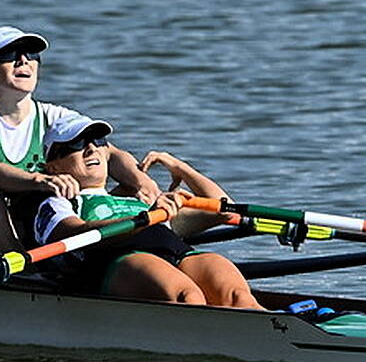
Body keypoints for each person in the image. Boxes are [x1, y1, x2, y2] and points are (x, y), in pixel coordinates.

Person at [0, 26, 160, 261]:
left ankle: (128, 254)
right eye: (9, 55)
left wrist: (141, 182)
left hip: (42, 233)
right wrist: (41, 181)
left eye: (31, 55)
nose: (23, 61)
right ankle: (27, 279)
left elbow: (110, 154)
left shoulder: (55, 117)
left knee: (122, 187)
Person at [32, 115, 263, 309]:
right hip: (119, 262)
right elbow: (72, 233)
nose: (91, 148)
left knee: (239, 297)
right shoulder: (58, 202)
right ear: (53, 166)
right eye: (76, 144)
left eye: (98, 140)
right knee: (188, 297)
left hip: (175, 253)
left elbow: (223, 208)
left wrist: (179, 167)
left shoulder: (138, 200)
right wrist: (144, 219)